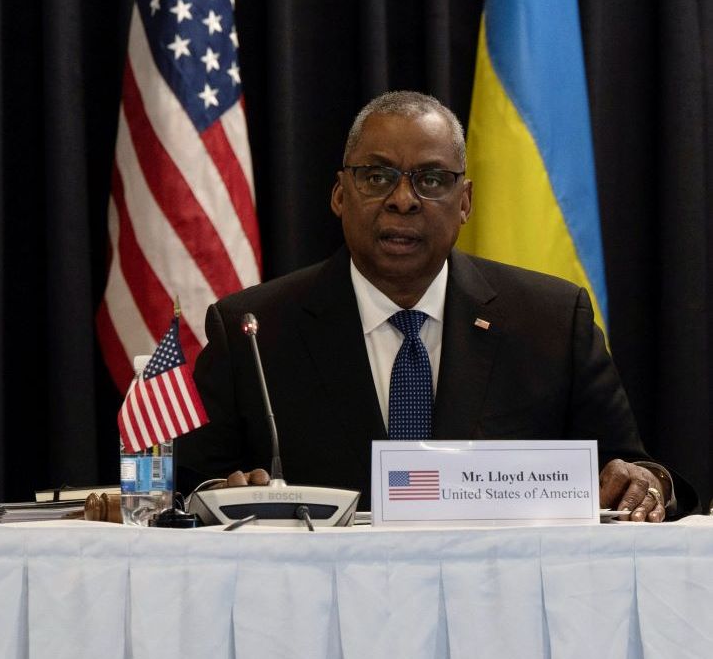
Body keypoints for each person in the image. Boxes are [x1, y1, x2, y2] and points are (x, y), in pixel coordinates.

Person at [178, 90, 693, 521]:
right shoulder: (253, 330)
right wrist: (218, 494)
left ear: (465, 202)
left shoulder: (552, 321)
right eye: (376, 176)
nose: (403, 199)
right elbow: (187, 489)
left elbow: (631, 471)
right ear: (340, 195)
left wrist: (646, 485)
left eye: (430, 180)